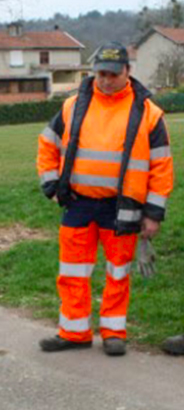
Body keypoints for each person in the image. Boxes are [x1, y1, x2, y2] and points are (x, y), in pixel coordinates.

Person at [37, 41, 174, 356]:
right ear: (93, 72)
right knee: (72, 272)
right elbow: (47, 144)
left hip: (122, 207)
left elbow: (161, 166)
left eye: (113, 73)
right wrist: (52, 185)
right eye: (100, 73)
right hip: (78, 203)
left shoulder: (149, 114)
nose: (106, 80)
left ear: (127, 71)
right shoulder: (73, 106)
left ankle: (114, 333)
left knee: (118, 272)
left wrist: (153, 214)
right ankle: (74, 332)